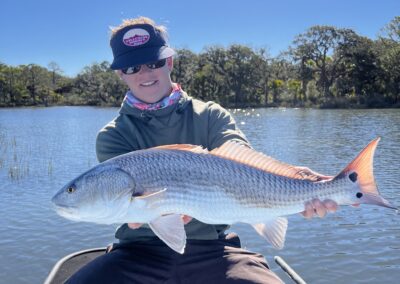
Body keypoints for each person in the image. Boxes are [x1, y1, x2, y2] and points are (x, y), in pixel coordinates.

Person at [66, 17, 337, 283]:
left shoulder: (210, 116)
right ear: (120, 73)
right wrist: (148, 213)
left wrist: (300, 185)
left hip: (215, 250)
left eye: (153, 63)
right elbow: (133, 215)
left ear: (169, 61)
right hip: (138, 252)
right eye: (132, 68)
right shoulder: (113, 135)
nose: (145, 74)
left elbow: (243, 160)